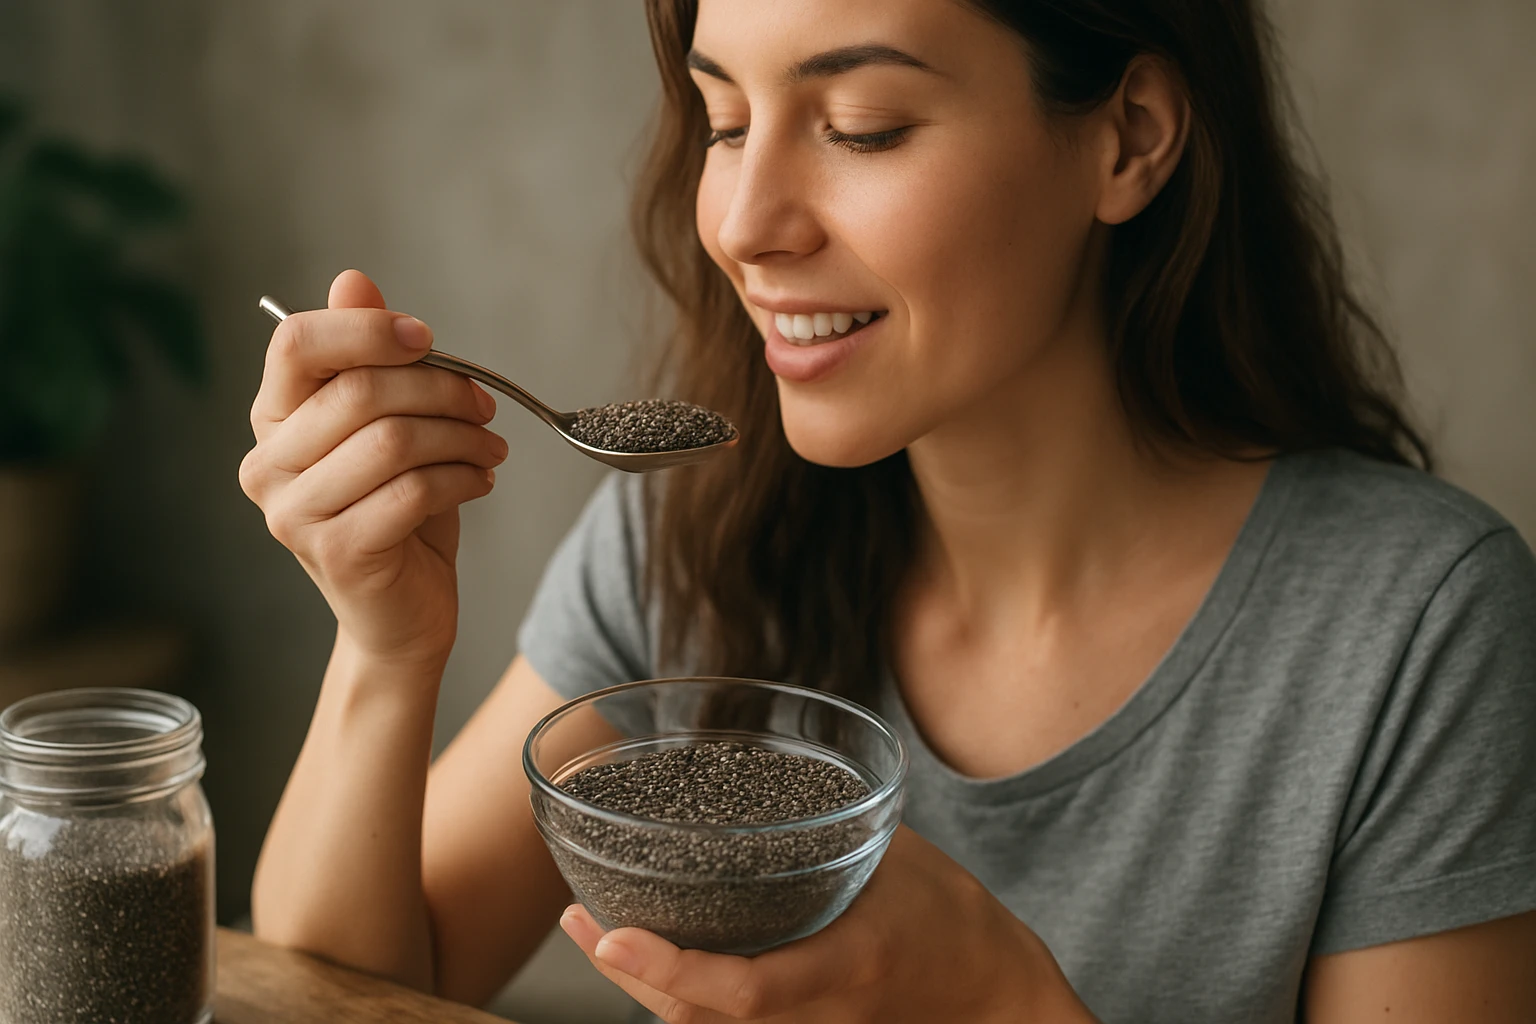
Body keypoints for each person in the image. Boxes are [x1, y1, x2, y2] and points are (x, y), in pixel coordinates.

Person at [237, 1, 1536, 1021]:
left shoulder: (1414, 631)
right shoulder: (691, 545)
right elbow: (346, 995)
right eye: (724, 120)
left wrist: (997, 1002)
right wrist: (385, 648)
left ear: (1129, 137)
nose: (744, 224)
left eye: (861, 124)